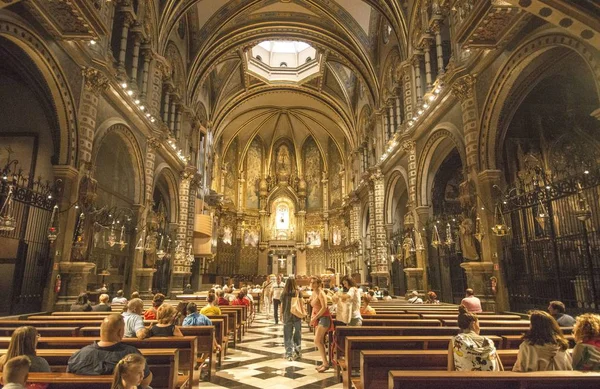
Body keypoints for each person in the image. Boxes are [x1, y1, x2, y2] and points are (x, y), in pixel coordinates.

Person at [67, 314, 152, 389]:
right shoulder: (130, 353)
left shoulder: (78, 355)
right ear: (120, 332)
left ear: (101, 331)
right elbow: (145, 381)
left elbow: (69, 380)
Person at [448, 305, 502, 371]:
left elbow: (450, 369)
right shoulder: (489, 342)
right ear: (473, 324)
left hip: (465, 380)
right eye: (479, 324)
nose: (479, 327)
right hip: (491, 380)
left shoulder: (455, 341)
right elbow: (500, 368)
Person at [310, 277, 333, 372]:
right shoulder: (314, 292)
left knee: (317, 341)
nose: (312, 284)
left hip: (324, 318)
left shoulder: (321, 293)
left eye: (314, 283)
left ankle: (326, 363)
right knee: (319, 341)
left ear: (319, 284)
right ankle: (324, 363)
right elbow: (314, 307)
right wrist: (312, 317)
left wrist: (315, 318)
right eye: (311, 282)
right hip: (319, 318)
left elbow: (324, 307)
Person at [280, 276, 302, 361]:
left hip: (287, 315)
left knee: (287, 335)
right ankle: (297, 352)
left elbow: (281, 305)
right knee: (297, 334)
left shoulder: (284, 293)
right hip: (296, 315)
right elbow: (301, 303)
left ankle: (288, 353)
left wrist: (281, 315)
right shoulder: (298, 292)